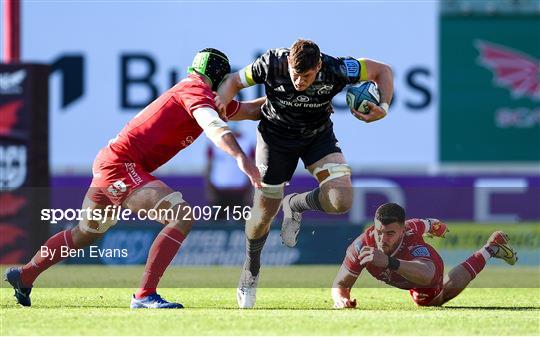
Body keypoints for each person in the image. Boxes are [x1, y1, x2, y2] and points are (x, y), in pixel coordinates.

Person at [4, 48, 264, 309]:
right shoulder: (197, 91)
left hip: (112, 163)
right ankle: (144, 295)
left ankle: (24, 275)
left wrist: (288, 96)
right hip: (121, 166)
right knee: (181, 215)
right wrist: (241, 157)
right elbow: (213, 126)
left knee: (85, 233)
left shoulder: (200, 93)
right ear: (219, 78)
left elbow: (251, 111)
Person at [216, 39, 394, 308]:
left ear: (319, 66)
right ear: (288, 63)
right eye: (295, 74)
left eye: (307, 76)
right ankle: (250, 269)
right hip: (274, 140)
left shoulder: (337, 68)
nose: (299, 81)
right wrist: (222, 103)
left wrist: (385, 107)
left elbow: (383, 71)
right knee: (263, 215)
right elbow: (233, 82)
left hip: (317, 137)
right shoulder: (271, 62)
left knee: (342, 200)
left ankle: (296, 204)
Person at [331, 203, 518, 308]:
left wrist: (389, 261)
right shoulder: (360, 247)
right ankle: (492, 247)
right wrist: (341, 300)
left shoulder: (411, 236)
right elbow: (340, 284)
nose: (382, 239)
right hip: (405, 272)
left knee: (430, 300)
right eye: (379, 231)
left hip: (428, 268)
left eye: (390, 233)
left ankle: (490, 250)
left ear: (402, 230)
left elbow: (427, 273)